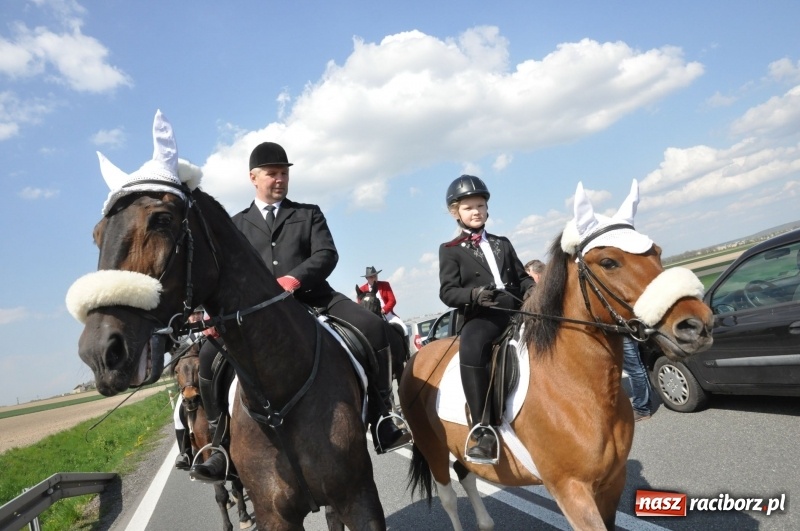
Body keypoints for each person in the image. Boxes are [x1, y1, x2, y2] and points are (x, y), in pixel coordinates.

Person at [190, 142, 411, 482]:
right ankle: (219, 445)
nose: (280, 179)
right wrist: (211, 315)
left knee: (373, 327)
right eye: (272, 173)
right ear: (253, 177)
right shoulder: (236, 225)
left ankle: (383, 416)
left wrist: (295, 278)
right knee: (207, 359)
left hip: (314, 298)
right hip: (257, 316)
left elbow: (327, 254)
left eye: (284, 173)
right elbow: (221, 273)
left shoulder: (308, 213)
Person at [438, 175, 534, 463]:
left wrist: (533, 290)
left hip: (516, 308)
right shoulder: (450, 250)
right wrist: (474, 295)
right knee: (471, 345)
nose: (476, 211)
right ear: (456, 213)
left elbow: (522, 277)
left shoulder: (503, 243)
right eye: (468, 207)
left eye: (480, 205)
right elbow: (448, 291)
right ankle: (482, 428)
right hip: (484, 314)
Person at [358, 266, 408, 336]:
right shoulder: (362, 289)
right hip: (371, 319)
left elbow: (392, 300)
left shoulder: (385, 285)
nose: (374, 278)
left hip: (387, 315)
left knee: (404, 329)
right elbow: (360, 307)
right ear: (367, 278)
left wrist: (383, 310)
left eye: (375, 276)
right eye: (371, 277)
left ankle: (405, 347)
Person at [623, 336, 652, 422]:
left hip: (621, 331)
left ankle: (641, 409)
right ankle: (645, 405)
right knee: (639, 367)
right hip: (629, 329)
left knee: (634, 370)